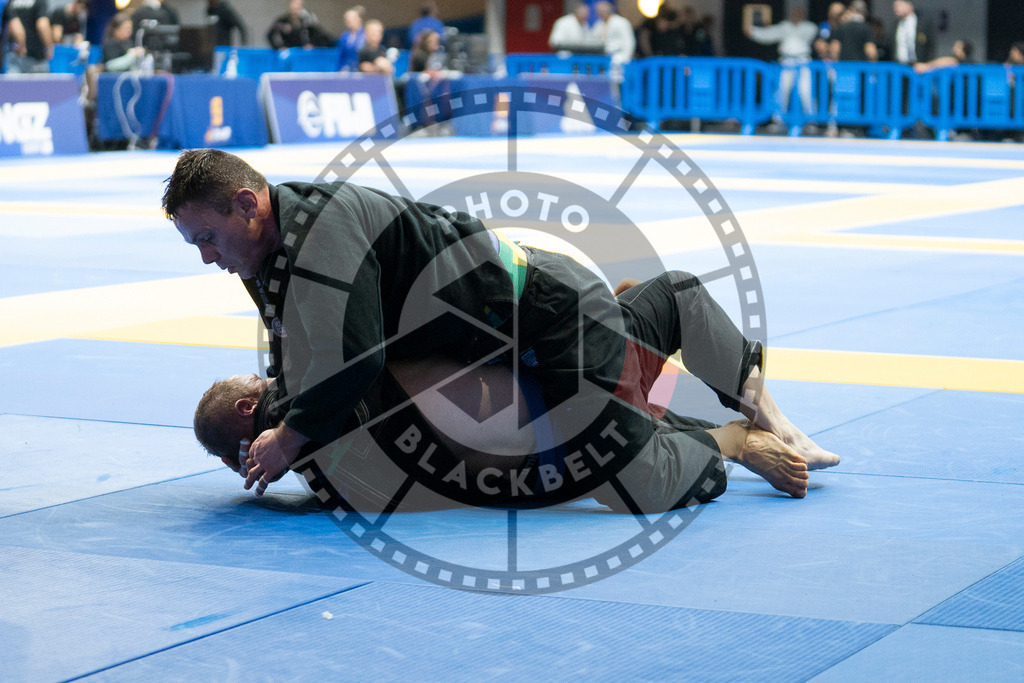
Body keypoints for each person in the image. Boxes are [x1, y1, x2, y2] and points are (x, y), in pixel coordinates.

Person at [164, 149, 840, 513]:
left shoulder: (321, 234)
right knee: (605, 399)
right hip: (516, 334)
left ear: (248, 204)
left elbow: (355, 358)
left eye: (207, 238)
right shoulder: (265, 254)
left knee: (633, 479)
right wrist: (287, 426)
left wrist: (287, 438)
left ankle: (742, 427)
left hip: (547, 315)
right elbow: (298, 352)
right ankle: (660, 318)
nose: (206, 257)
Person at [745, 7, 818, 128]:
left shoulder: (809, 27)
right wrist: (753, 32)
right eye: (794, 14)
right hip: (786, 61)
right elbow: (769, 34)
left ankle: (811, 120)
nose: (796, 16)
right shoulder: (784, 27)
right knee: (782, 90)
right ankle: (778, 120)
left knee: (806, 90)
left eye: (799, 14)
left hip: (803, 61)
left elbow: (809, 33)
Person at [1, 0, 52, 74]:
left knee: (13, 81)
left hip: (15, 54)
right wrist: (49, 47)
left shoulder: (11, 2)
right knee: (40, 81)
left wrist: (20, 44)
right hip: (36, 56)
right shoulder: (39, 2)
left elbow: (12, 26)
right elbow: (42, 25)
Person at [266, 0, 331, 50]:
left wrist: (313, 45)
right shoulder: (282, 22)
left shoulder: (306, 23)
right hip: (288, 57)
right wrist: (280, 47)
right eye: (295, 5)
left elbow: (323, 38)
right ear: (290, 6)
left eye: (300, 5)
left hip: (302, 57)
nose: (297, 8)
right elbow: (271, 35)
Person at [890, 0, 933, 66]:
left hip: (918, 65)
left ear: (909, 6)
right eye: (895, 6)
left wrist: (927, 64)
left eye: (899, 5)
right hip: (899, 65)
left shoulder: (923, 24)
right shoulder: (895, 25)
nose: (896, 8)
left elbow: (931, 46)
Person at [594, 1, 635, 67]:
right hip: (602, 58)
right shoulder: (598, 24)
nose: (600, 13)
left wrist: (626, 58)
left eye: (602, 11)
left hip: (618, 57)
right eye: (598, 11)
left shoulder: (621, 22)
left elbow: (628, 41)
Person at [336, 7, 364, 71]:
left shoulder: (365, 35)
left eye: (352, 19)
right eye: (347, 20)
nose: (349, 22)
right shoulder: (344, 36)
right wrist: (339, 70)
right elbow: (341, 55)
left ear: (359, 19)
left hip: (360, 69)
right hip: (346, 70)